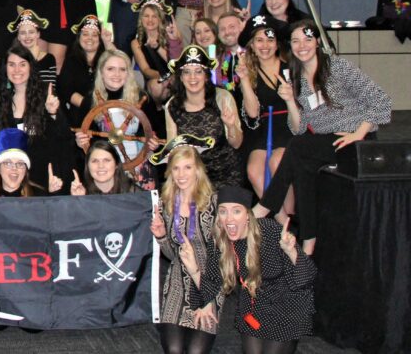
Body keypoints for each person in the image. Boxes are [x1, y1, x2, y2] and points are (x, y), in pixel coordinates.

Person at [253, 21, 391, 255]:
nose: (302, 46)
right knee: (302, 166)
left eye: (307, 39)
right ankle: (308, 242)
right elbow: (298, 127)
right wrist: (288, 100)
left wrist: (358, 132)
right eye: (295, 41)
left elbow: (382, 101)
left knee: (298, 147)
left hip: (355, 141)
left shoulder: (337, 67)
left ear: (317, 41)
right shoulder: (297, 78)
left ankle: (265, 205)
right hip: (326, 143)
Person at [191, 186, 317, 354]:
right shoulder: (220, 238)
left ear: (248, 216)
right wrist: (205, 302)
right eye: (223, 211)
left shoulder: (270, 231)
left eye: (236, 211)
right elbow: (214, 276)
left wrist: (291, 251)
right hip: (253, 304)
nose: (229, 218)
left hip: (286, 305)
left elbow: (308, 276)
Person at [149, 138, 220, 354]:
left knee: (196, 352)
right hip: (177, 281)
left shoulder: (214, 203)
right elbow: (173, 255)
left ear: (198, 169)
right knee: (173, 349)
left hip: (209, 279)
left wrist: (209, 298)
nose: (181, 174)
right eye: (176, 168)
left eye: (187, 167)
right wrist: (161, 237)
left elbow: (222, 257)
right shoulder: (167, 203)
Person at [74, 49, 163, 190]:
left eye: (122, 69)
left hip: (139, 170)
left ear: (128, 73)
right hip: (103, 173)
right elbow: (80, 137)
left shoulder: (142, 97)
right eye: (110, 69)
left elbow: (158, 132)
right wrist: (80, 142)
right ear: (101, 72)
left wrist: (154, 143)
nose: (117, 74)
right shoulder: (89, 101)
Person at [234, 15, 293, 213]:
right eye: (259, 40)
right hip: (263, 129)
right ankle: (284, 224)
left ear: (277, 43)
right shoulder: (249, 72)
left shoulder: (291, 69)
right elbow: (252, 113)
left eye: (270, 39)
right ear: (251, 44)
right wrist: (243, 79)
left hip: (290, 126)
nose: (265, 45)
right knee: (254, 170)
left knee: (278, 163)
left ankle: (292, 214)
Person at [0, 44, 72, 192]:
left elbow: (64, 136)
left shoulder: (46, 93)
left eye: (22, 64)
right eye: (12, 65)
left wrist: (52, 113)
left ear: (30, 67)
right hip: (18, 175)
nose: (17, 70)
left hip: (47, 174)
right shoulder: (3, 99)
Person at [165, 46, 244, 189]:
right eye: (187, 72)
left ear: (206, 76)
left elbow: (237, 144)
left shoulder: (222, 98)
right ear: (181, 77)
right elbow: (174, 151)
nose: (192, 77)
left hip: (226, 174)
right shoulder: (172, 105)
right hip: (191, 178)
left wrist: (231, 126)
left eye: (198, 72)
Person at [58, 14, 115, 126]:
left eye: (94, 35)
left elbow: (122, 63)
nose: (90, 38)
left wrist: (108, 42)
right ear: (79, 37)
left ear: (100, 39)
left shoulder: (107, 58)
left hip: (108, 113)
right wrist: (90, 107)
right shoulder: (71, 60)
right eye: (85, 34)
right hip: (80, 113)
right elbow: (66, 90)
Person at [131, 0, 183, 103]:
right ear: (141, 18)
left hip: (175, 77)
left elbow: (176, 63)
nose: (150, 20)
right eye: (146, 16)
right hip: (155, 80)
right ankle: (158, 113)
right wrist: (163, 77)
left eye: (154, 16)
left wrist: (158, 47)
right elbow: (145, 70)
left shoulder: (171, 34)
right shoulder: (136, 42)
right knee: (156, 86)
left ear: (160, 18)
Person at [0, 128, 61, 196]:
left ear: (25, 170)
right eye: (8, 163)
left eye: (20, 163)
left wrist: (52, 195)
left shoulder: (38, 197)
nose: (14, 168)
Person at [7, 8, 57, 85]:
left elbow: (51, 88)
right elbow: (10, 86)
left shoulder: (49, 59)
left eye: (31, 32)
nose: (27, 36)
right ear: (18, 37)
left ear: (38, 34)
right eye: (23, 33)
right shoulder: (11, 59)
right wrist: (33, 59)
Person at [69, 141, 138, 196]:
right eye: (95, 161)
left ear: (116, 164)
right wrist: (79, 201)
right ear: (87, 165)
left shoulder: (134, 193)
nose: (101, 166)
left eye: (106, 160)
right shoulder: (81, 192)